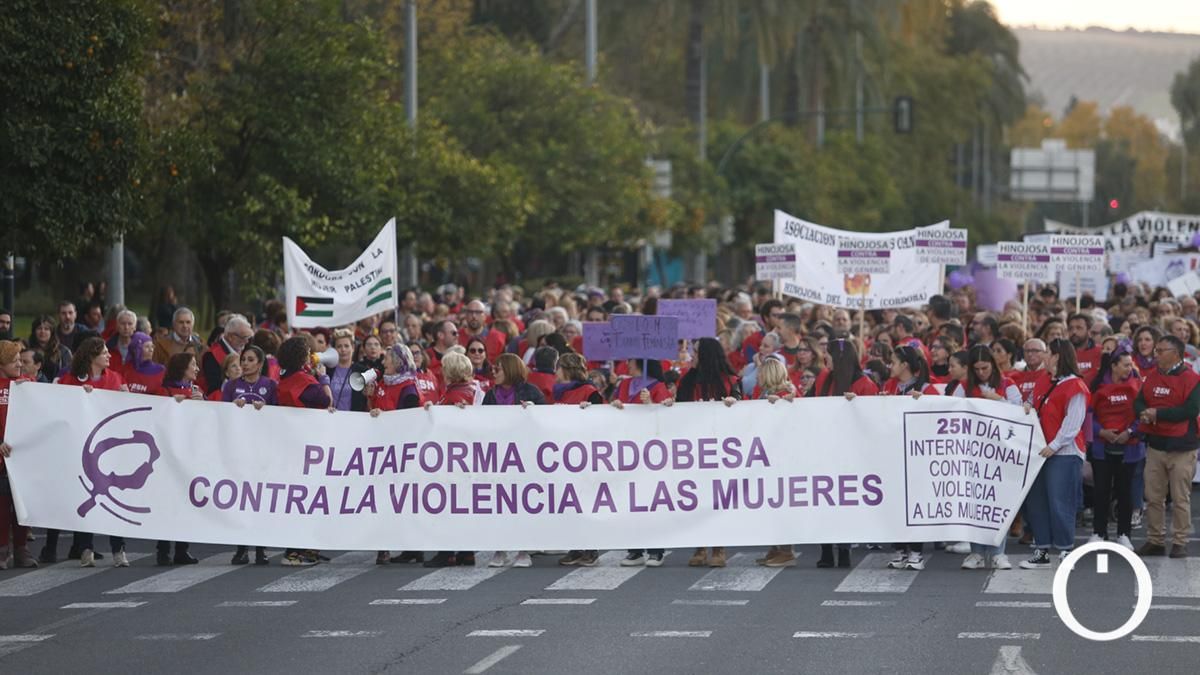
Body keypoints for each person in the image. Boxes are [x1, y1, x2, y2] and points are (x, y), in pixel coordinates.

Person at [54, 337, 128, 567]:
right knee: (86, 495)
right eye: (104, 352)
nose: (109, 356)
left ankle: (119, 550)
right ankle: (86, 549)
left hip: (111, 449)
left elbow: (125, 407)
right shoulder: (70, 381)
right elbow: (58, 405)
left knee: (114, 498)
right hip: (82, 449)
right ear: (91, 356)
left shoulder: (115, 379)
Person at [949, 345, 1021, 570]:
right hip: (973, 454)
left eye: (985, 368)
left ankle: (999, 552)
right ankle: (976, 552)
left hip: (1000, 454)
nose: (981, 373)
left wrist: (998, 400)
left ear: (994, 365)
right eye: (977, 368)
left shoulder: (1008, 385)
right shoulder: (963, 386)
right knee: (975, 504)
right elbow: (950, 410)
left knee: (1000, 503)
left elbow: (1021, 412)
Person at [1021, 339, 1090, 569]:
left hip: (1064, 452)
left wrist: (1055, 445)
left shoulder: (1075, 386)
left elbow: (1073, 423)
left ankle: (1064, 548)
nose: (1044, 357)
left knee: (1060, 501)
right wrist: (1027, 407)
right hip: (1042, 450)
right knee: (1037, 500)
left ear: (1058, 356)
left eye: (1048, 352)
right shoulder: (1044, 380)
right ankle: (1042, 548)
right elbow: (1031, 404)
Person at [811, 339, 878, 568]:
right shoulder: (823, 378)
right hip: (824, 449)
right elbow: (808, 404)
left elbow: (871, 418)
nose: (823, 359)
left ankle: (845, 548)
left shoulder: (864, 384)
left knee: (845, 502)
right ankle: (827, 549)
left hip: (851, 453)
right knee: (825, 499)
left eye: (827, 354)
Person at [676, 337, 741, 568]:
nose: (692, 356)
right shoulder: (688, 380)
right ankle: (701, 545)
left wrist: (735, 402)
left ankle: (719, 546)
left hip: (722, 450)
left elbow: (744, 409)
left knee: (718, 499)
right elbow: (679, 406)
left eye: (696, 352)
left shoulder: (730, 381)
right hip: (695, 450)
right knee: (699, 498)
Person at [1134, 334, 1200, 559]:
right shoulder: (1152, 376)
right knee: (1153, 496)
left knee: (1180, 497)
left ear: (1176, 354)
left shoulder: (1192, 379)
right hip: (1156, 444)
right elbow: (1139, 401)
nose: (1156, 354)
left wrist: (1157, 413)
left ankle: (1180, 541)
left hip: (1182, 446)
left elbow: (1190, 410)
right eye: (1157, 350)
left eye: (1161, 350)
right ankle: (1156, 539)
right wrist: (1143, 411)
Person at [483, 354, 545, 569]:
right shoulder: (490, 396)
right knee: (499, 503)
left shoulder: (532, 393)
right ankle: (500, 549)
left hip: (524, 458)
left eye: (498, 368)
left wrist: (533, 412)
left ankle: (523, 550)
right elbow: (478, 423)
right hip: (498, 458)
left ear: (509, 369)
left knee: (522, 504)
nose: (494, 372)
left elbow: (548, 422)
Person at [882, 346, 940, 570]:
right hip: (894, 453)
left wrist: (924, 402)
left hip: (917, 455)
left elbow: (939, 415)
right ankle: (900, 550)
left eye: (893, 362)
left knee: (915, 503)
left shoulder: (927, 388)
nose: (890, 366)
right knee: (896, 503)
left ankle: (916, 551)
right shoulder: (889, 387)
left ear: (905, 365)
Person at [422, 352, 481, 568]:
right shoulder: (470, 390)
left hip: (453, 459)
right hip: (463, 459)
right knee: (461, 505)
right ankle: (465, 551)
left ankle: (447, 551)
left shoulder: (456, 396)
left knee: (448, 505)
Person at [277, 336, 332, 566]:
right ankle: (295, 551)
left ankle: (306, 547)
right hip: (307, 446)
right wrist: (323, 378)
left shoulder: (283, 379)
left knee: (301, 498)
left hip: (291, 444)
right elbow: (325, 399)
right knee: (306, 498)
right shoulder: (303, 381)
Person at [1088, 345, 1142, 551]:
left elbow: (1141, 416)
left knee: (1125, 492)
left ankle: (1124, 534)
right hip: (1102, 447)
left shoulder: (1137, 385)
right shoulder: (1097, 386)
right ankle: (1099, 532)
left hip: (1129, 447)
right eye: (1126, 365)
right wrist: (1101, 432)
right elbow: (1088, 415)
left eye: (1131, 364)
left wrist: (1129, 432)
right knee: (1101, 490)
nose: (1130, 368)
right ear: (1114, 366)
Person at [0, 341, 36, 569]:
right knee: (2, 504)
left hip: (24, 456)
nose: (20, 365)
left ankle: (21, 548)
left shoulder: (27, 385)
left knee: (22, 503)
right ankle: (3, 548)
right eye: (14, 361)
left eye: (21, 360)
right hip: (2, 457)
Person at [199, 314, 253, 396]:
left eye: (248, 338)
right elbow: (215, 387)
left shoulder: (246, 350)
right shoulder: (211, 356)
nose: (247, 342)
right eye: (243, 338)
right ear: (231, 336)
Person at [28, 315, 70, 382]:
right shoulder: (27, 348)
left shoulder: (64, 351)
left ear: (52, 332)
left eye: (46, 329)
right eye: (39, 328)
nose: (42, 331)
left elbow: (68, 373)